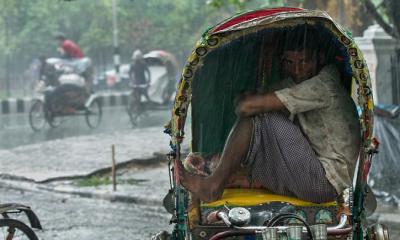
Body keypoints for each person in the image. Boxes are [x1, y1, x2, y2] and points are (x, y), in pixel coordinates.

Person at [179, 25, 361, 204]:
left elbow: (246, 107)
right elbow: (244, 101)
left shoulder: (323, 84)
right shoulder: (297, 83)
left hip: (327, 183)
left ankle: (212, 186)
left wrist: (254, 103)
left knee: (260, 115)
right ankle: (221, 174)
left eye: (304, 61)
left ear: (318, 59)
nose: (297, 70)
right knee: (260, 112)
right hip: (313, 175)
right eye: (290, 62)